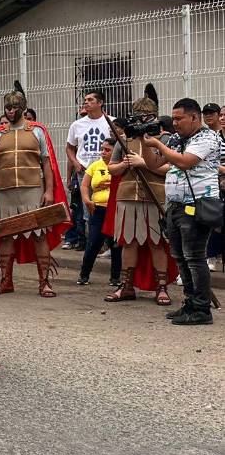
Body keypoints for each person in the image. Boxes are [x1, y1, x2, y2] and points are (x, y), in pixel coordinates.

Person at [0, 82, 68, 298]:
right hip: (4, 191)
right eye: (7, 108)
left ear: (23, 108)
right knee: (6, 237)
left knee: (39, 235)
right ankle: (6, 281)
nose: (10, 111)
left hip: (32, 190)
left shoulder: (38, 131)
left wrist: (48, 191)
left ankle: (44, 282)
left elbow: (47, 163)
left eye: (14, 107)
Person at [142, 98, 220, 325]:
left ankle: (202, 309)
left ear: (194, 117)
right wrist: (146, 143)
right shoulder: (176, 139)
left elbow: (185, 162)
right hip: (175, 205)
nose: (174, 123)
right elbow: (155, 165)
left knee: (195, 258)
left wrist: (158, 145)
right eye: (173, 118)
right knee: (180, 258)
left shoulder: (207, 137)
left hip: (197, 205)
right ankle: (190, 303)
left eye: (179, 118)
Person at [103, 86, 175, 304]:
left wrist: (144, 163)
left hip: (155, 195)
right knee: (129, 242)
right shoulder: (124, 139)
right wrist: (125, 163)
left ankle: (161, 288)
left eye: (147, 116)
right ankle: (126, 287)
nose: (142, 120)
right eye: (139, 116)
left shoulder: (166, 139)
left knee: (156, 242)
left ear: (154, 116)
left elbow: (173, 167)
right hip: (127, 197)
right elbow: (111, 168)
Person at [65, 90, 111, 249]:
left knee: (106, 205)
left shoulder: (111, 122)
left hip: (106, 170)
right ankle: (92, 242)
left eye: (90, 99)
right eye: (85, 100)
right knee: (88, 207)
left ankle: (108, 244)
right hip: (84, 170)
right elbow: (69, 148)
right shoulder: (77, 125)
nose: (86, 102)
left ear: (100, 103)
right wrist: (75, 163)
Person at [77, 138, 121, 286]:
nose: (103, 152)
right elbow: (84, 185)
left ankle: (115, 278)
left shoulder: (120, 166)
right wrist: (86, 200)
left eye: (107, 150)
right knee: (93, 242)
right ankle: (84, 275)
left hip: (116, 210)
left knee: (116, 245)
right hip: (98, 209)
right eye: (102, 149)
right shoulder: (95, 166)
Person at [200, 102, 224, 271]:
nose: (222, 118)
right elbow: (207, 161)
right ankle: (211, 256)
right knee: (215, 221)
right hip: (215, 184)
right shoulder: (212, 137)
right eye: (221, 115)